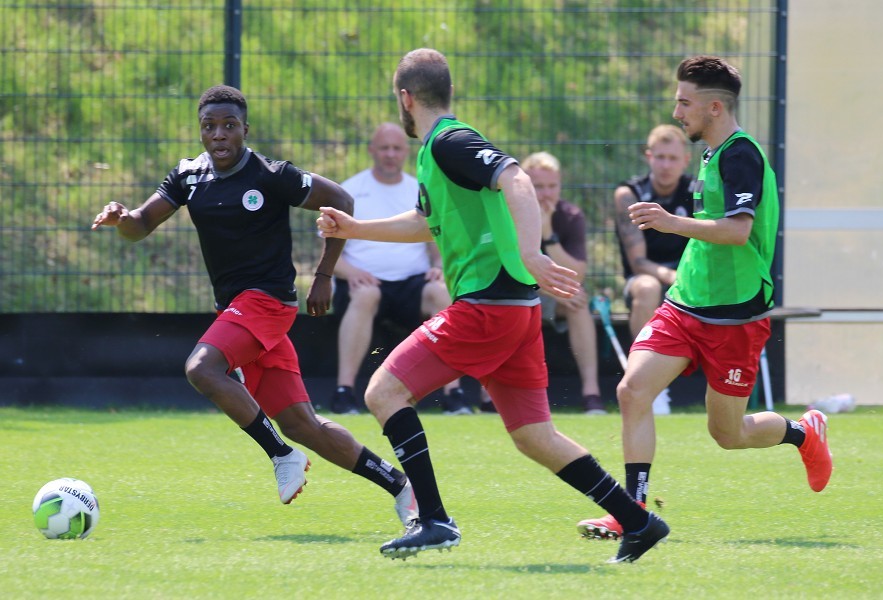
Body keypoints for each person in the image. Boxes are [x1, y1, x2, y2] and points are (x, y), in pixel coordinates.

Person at [318, 48, 668, 564]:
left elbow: (517, 178)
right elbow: (423, 222)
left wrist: (531, 253)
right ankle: (638, 521)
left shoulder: (450, 140)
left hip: (489, 305)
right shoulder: (435, 151)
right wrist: (355, 229)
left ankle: (434, 519)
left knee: (384, 391)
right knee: (535, 436)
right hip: (513, 310)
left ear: (405, 98)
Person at [91, 85, 418, 527]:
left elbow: (341, 200)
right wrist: (121, 218)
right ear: (200, 132)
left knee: (202, 369)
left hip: (268, 302)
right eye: (210, 127)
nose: (219, 135)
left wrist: (323, 276)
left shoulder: (270, 174)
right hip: (241, 313)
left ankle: (281, 456)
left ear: (245, 129)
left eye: (229, 126)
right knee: (305, 426)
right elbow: (141, 225)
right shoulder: (188, 176)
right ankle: (400, 486)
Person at [576, 56, 832, 541]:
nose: (677, 112)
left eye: (684, 102)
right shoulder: (711, 152)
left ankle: (802, 432)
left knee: (727, 435)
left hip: (735, 316)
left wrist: (670, 222)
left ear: (714, 107)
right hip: (685, 304)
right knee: (632, 391)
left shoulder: (740, 155)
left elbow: (737, 232)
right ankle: (634, 514)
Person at [330, 122, 472, 416]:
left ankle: (455, 395)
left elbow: (436, 241)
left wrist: (437, 266)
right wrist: (352, 273)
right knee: (365, 295)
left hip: (412, 284)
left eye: (396, 148)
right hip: (363, 286)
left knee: (440, 292)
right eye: (384, 148)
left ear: (406, 152)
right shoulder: (350, 190)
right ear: (372, 151)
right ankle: (343, 393)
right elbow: (331, 254)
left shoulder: (419, 189)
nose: (390, 154)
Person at [614, 124, 695, 415]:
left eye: (672, 158)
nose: (665, 165)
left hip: (688, 280)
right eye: (659, 157)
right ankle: (647, 384)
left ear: (686, 160)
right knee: (647, 287)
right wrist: (671, 277)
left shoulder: (696, 191)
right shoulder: (629, 194)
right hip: (645, 279)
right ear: (648, 157)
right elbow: (638, 263)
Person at [520, 151, 603, 415]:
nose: (546, 194)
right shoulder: (511, 214)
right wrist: (553, 291)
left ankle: (591, 393)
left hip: (552, 294)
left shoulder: (570, 216)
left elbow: (576, 274)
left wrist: (549, 235)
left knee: (578, 300)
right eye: (538, 187)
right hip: (519, 291)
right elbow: (510, 269)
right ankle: (488, 398)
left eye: (552, 186)